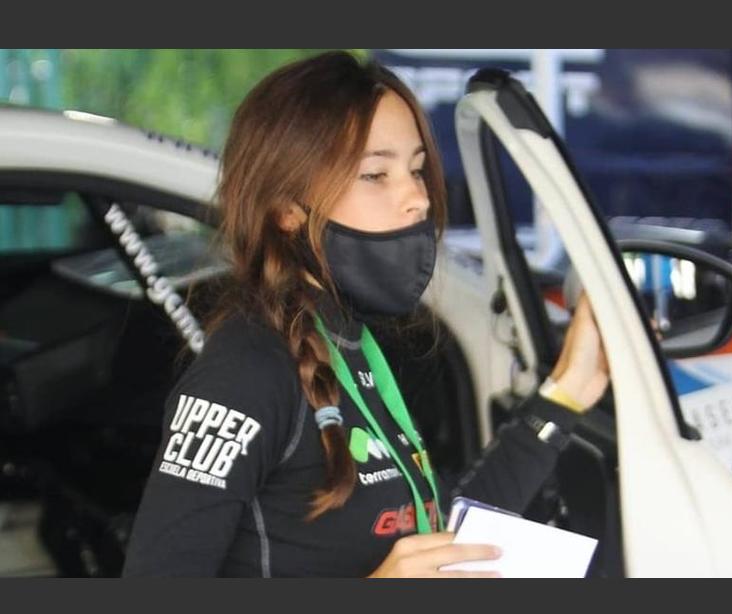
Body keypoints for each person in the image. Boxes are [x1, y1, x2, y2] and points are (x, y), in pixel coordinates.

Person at [122, 50, 610, 578]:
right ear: (287, 209)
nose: (418, 199)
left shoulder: (353, 345)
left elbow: (443, 544)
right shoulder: (244, 372)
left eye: (418, 170)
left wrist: (568, 392)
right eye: (376, 174)